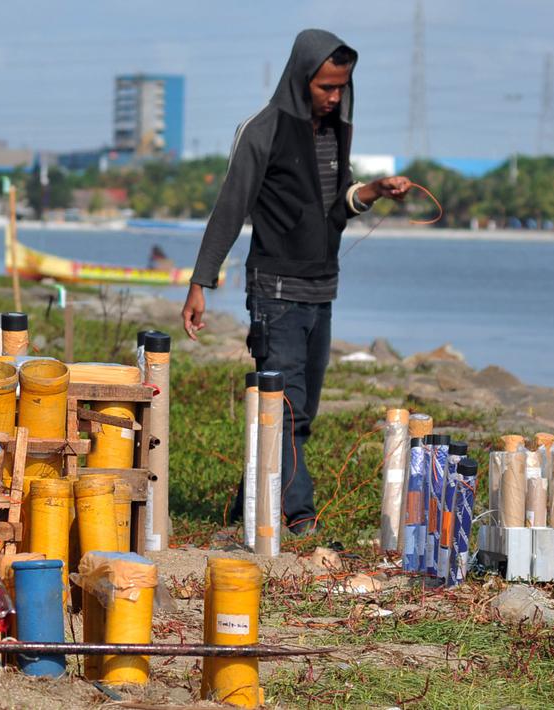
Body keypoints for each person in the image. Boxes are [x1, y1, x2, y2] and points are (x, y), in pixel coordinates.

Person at [180, 29, 410, 536]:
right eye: (326, 87)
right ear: (302, 79)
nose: (334, 97)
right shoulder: (262, 130)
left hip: (321, 291)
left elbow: (337, 205)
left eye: (341, 88)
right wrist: (201, 281)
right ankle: (300, 514)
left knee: (298, 410)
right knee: (281, 407)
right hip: (275, 295)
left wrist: (373, 190)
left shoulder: (333, 131)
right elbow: (230, 208)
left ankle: (251, 506)